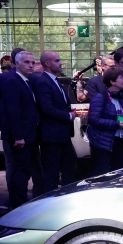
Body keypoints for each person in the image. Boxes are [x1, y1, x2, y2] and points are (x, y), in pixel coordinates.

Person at [0, 50, 42, 208]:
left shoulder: (26, 81)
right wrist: (18, 136)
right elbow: (12, 110)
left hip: (28, 134)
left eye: (32, 62)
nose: (30, 65)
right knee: (20, 173)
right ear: (16, 64)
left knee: (24, 171)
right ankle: (17, 207)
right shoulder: (13, 81)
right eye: (26, 62)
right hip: (19, 136)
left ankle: (19, 205)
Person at [34, 50, 76, 192]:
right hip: (52, 136)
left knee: (69, 168)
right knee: (51, 173)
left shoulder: (55, 80)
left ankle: (65, 197)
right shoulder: (43, 82)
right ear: (47, 63)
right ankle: (49, 201)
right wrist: (69, 116)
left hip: (62, 134)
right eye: (57, 60)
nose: (61, 63)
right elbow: (46, 108)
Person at [88, 67, 123, 175]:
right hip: (103, 142)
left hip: (120, 140)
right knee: (101, 174)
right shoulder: (100, 97)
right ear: (112, 81)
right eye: (121, 78)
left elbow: (120, 115)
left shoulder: (121, 97)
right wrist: (117, 124)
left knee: (119, 173)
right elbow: (94, 119)